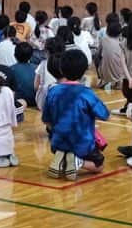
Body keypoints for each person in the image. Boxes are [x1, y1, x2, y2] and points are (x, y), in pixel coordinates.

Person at [42, 50, 110, 180]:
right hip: (82, 144)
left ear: (61, 69)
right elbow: (105, 114)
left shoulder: (53, 91)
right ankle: (78, 162)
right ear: (84, 70)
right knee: (99, 165)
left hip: (58, 143)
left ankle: (63, 157)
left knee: (64, 142)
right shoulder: (86, 93)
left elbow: (46, 120)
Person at [96, 20, 127, 89]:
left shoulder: (103, 40)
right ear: (120, 33)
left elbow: (98, 54)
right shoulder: (123, 42)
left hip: (104, 72)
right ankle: (119, 82)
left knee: (97, 57)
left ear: (107, 31)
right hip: (120, 73)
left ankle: (103, 79)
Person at [9, 42, 37, 106]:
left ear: (15, 55)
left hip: (18, 103)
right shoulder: (38, 68)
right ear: (31, 56)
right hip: (34, 102)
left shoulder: (10, 69)